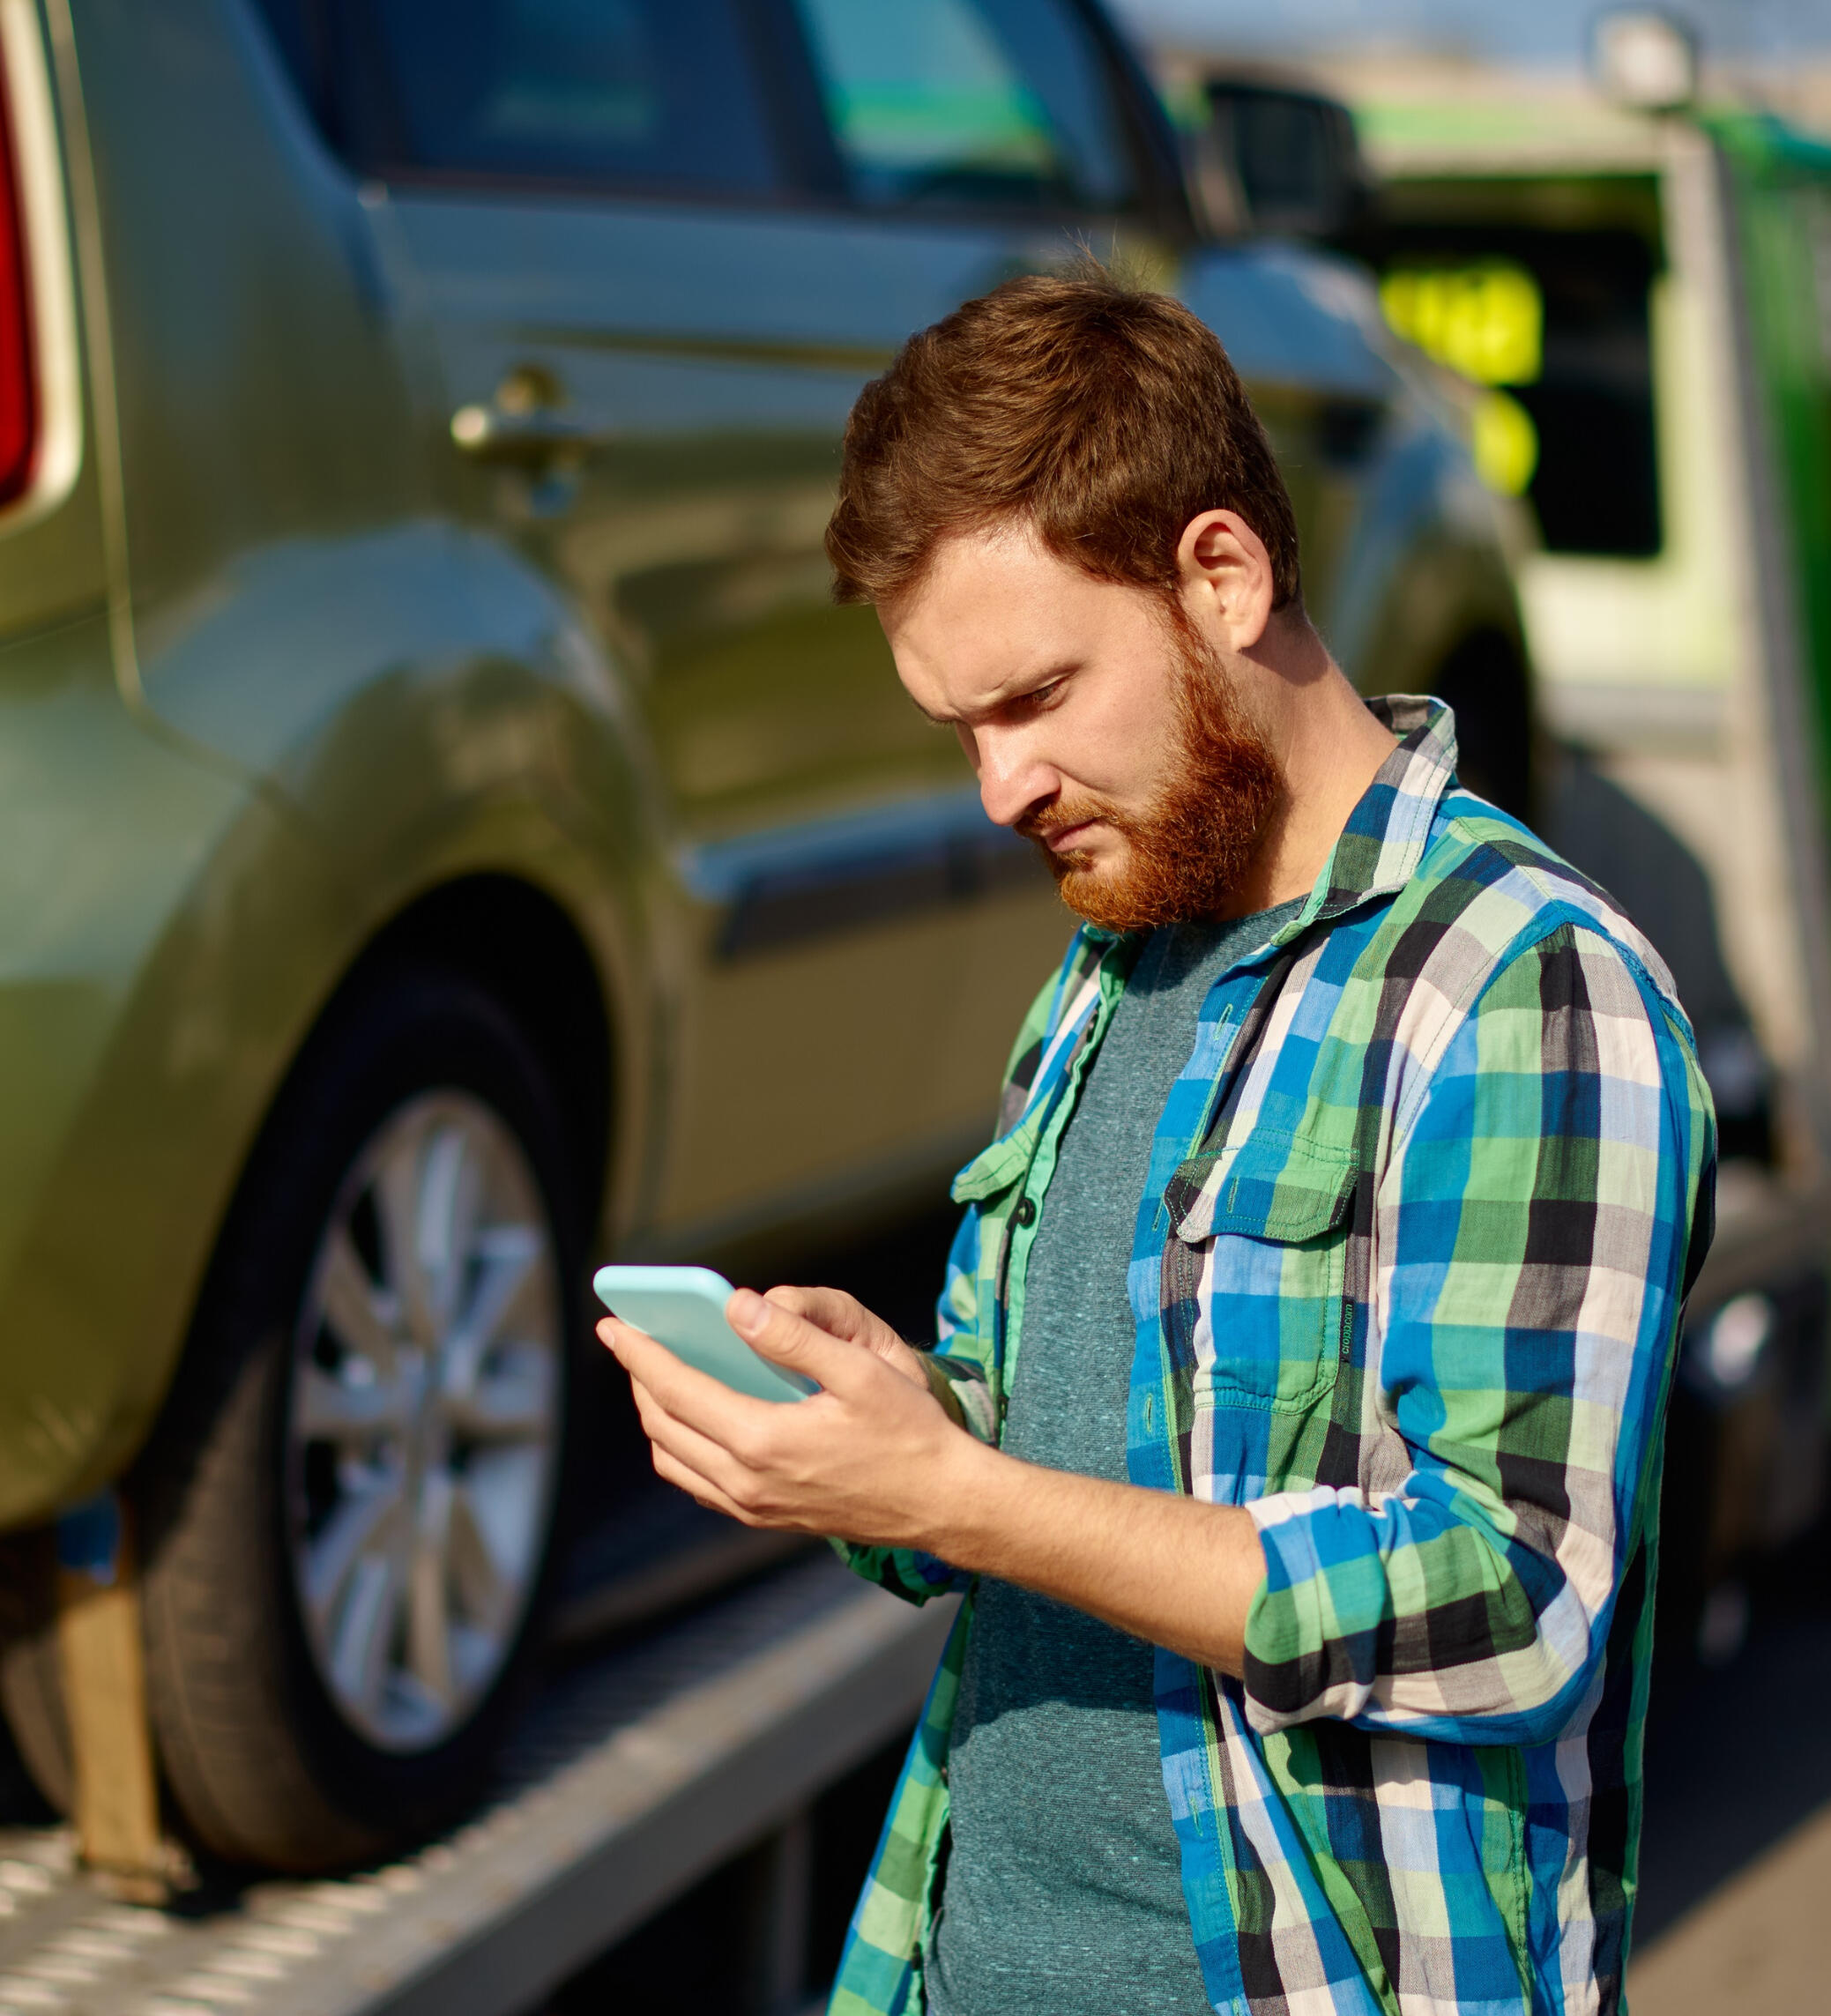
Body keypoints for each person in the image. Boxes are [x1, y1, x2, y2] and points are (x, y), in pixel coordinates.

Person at [599, 272, 1716, 2016]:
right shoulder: (1108, 962)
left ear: (1222, 575)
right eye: (963, 728)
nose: (999, 786)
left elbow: (1510, 1607)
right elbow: (1059, 1469)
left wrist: (959, 1495)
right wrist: (890, 1428)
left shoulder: (1523, 986)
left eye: (1036, 695)